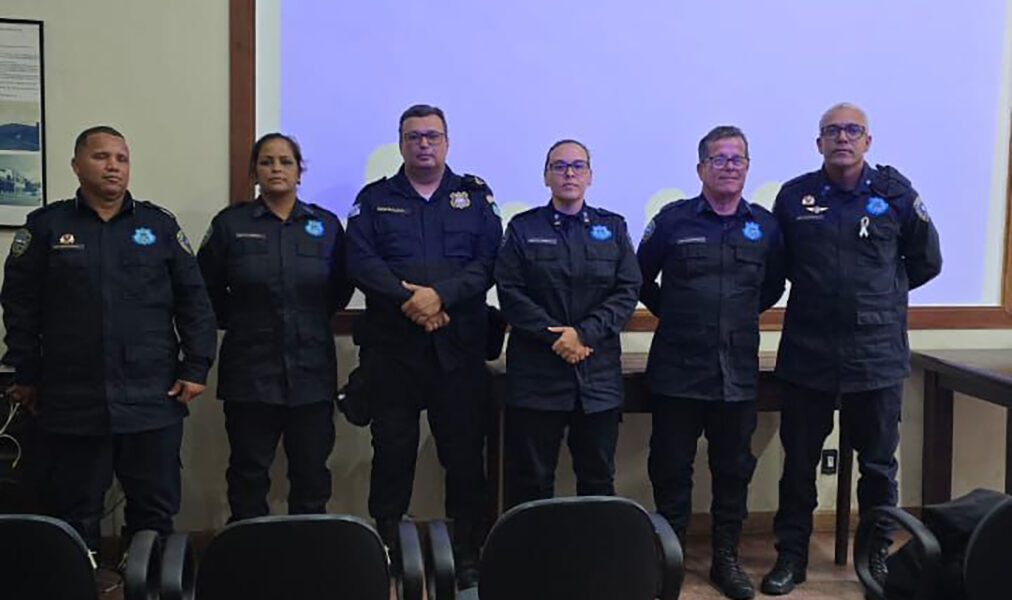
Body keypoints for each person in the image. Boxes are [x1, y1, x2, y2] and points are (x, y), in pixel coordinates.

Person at [1, 125, 217, 563]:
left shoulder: (158, 226)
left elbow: (195, 301)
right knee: (73, 509)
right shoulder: (46, 228)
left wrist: (196, 367)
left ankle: (149, 580)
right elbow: (19, 307)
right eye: (101, 157)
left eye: (121, 158)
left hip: (151, 396)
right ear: (77, 165)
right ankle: (80, 579)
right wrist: (25, 374)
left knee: (154, 508)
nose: (113, 166)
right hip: (73, 397)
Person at [761, 103, 942, 596]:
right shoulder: (794, 197)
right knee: (798, 464)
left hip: (876, 355)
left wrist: (879, 295)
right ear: (818, 142)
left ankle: (875, 558)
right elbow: (777, 269)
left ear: (867, 140)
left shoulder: (896, 194)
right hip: (808, 352)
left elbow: (926, 261)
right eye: (832, 131)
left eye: (852, 130)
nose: (842, 138)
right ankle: (791, 558)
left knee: (879, 468)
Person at [345, 104, 502, 590]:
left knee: (462, 455)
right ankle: (389, 545)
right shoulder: (375, 199)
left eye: (432, 136)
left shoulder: (474, 196)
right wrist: (408, 297)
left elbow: (489, 260)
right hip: (393, 351)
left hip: (458, 350)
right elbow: (360, 261)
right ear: (401, 142)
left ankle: (467, 551)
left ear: (447, 142)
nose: (424, 144)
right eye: (414, 136)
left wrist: (441, 296)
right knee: (392, 452)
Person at [637, 125, 784, 600]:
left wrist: (734, 320)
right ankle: (671, 555)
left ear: (747, 167)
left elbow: (773, 286)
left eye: (737, 158)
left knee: (733, 468)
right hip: (678, 369)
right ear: (700, 168)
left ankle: (726, 558)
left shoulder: (764, 226)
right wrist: (677, 316)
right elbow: (638, 278)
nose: (728, 167)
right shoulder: (673, 221)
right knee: (671, 467)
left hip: (737, 371)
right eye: (718, 159)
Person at [197, 133, 353, 522]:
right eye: (267, 162)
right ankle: (249, 558)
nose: (276, 169)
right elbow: (204, 287)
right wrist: (243, 322)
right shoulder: (230, 224)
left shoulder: (326, 225)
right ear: (254, 171)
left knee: (312, 473)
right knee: (248, 472)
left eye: (286, 161)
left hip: (311, 372)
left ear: (300, 172)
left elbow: (340, 288)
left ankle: (310, 555)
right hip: (250, 372)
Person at [494, 139, 641, 507]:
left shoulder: (614, 227)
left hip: (597, 378)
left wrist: (583, 334)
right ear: (546, 177)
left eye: (578, 166)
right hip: (537, 375)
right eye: (559, 166)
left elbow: (628, 290)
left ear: (590, 176)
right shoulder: (523, 228)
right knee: (532, 479)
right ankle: (533, 561)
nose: (569, 173)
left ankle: (591, 563)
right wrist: (555, 337)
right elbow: (510, 293)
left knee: (596, 479)